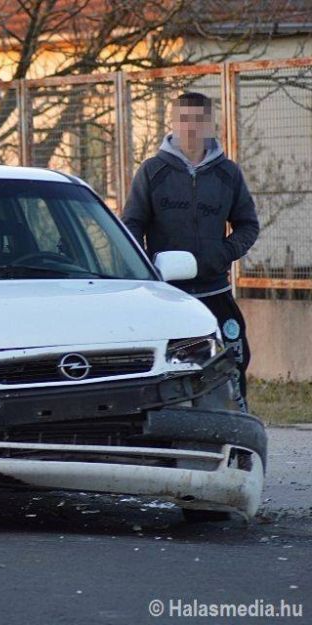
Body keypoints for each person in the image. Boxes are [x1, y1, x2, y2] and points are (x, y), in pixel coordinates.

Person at [123, 92, 260, 411]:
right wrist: (149, 268)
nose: (191, 127)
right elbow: (131, 224)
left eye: (199, 120)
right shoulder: (153, 171)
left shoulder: (228, 173)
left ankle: (237, 430)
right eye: (184, 119)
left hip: (216, 290)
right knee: (167, 369)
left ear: (211, 124)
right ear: (173, 122)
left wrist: (222, 253)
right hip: (167, 295)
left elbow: (248, 226)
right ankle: (168, 430)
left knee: (234, 361)